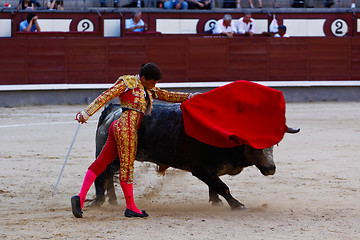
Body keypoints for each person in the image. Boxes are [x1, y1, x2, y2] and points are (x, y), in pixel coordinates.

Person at [71, 63, 199, 218]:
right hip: (127, 129)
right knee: (126, 168)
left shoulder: (148, 88)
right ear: (143, 78)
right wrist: (86, 113)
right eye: (152, 82)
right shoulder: (128, 82)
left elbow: (167, 95)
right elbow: (107, 95)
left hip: (118, 127)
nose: (154, 85)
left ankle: (80, 198)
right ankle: (131, 207)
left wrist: (190, 97)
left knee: (102, 162)